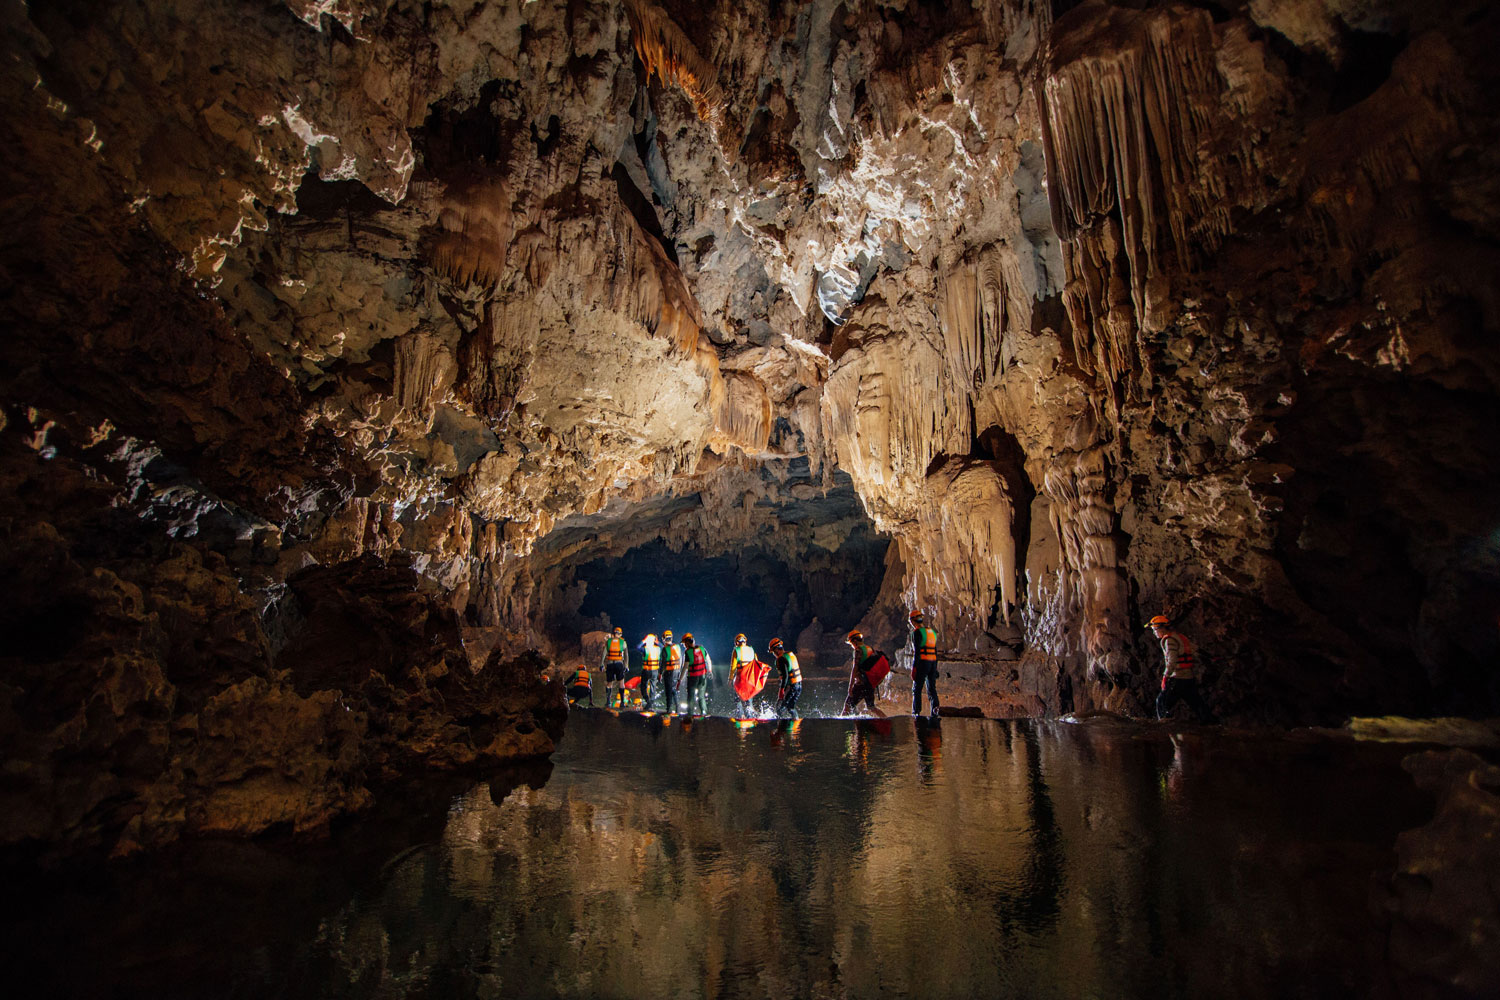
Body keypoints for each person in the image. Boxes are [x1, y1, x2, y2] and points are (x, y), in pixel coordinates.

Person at [1148, 615, 1213, 723]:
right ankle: (1211, 724)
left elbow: (1172, 660)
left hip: (1178, 678)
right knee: (1197, 703)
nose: (1154, 632)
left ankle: (1165, 726)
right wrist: (1211, 657)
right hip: (1189, 678)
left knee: (1162, 701)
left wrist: (1165, 676)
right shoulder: (1179, 637)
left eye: (1155, 630)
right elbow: (1196, 649)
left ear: (1162, 628)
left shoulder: (1169, 640)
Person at [842, 629, 887, 717]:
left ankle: (843, 728)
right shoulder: (869, 649)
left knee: (847, 707)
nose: (851, 646)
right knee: (871, 707)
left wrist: (850, 687)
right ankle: (887, 721)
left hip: (861, 684)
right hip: (870, 684)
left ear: (854, 641)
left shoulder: (858, 650)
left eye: (851, 643)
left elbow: (855, 668)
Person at [909, 608, 940, 718]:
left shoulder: (917, 632)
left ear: (913, 621)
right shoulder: (931, 631)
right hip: (932, 662)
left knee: (917, 689)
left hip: (922, 662)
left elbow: (917, 652)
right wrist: (935, 667)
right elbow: (935, 651)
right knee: (932, 689)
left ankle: (916, 713)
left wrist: (914, 668)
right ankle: (935, 712)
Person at [770, 637, 802, 717]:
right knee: (790, 708)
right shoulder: (790, 654)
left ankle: (781, 728)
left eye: (773, 652)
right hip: (799, 685)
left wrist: (781, 690)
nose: (774, 654)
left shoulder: (781, 659)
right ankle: (796, 724)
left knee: (780, 710)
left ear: (776, 650)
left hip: (792, 686)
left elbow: (785, 676)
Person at [682, 632, 711, 715]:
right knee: (701, 697)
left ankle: (690, 714)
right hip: (703, 676)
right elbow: (708, 660)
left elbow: (685, 667)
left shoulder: (688, 652)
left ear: (687, 643)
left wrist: (680, 679)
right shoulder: (702, 648)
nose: (684, 645)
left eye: (684, 643)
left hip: (692, 677)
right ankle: (704, 713)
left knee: (691, 697)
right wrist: (710, 671)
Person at [730, 632, 758, 715]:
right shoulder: (752, 650)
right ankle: (750, 716)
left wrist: (730, 678)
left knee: (737, 698)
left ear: (737, 642)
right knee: (749, 700)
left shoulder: (736, 651)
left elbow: (733, 667)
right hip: (750, 678)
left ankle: (740, 715)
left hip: (741, 678)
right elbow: (756, 663)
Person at [601, 626, 629, 708]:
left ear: (614, 633)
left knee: (609, 683)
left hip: (610, 664)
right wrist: (626, 665)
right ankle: (622, 702)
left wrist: (601, 664)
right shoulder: (623, 642)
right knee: (621, 682)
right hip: (619, 664)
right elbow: (626, 655)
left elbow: (604, 653)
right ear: (620, 634)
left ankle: (608, 702)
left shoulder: (608, 642)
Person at [638, 632, 662, 708]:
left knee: (643, 686)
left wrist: (643, 641)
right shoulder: (658, 649)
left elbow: (638, 647)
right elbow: (663, 647)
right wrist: (657, 642)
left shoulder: (646, 649)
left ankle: (647, 700)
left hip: (646, 670)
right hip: (655, 671)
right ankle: (651, 703)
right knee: (653, 687)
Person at [660, 629, 682, 712]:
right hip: (677, 671)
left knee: (668, 690)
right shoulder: (677, 646)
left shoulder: (665, 649)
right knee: (674, 689)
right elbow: (681, 658)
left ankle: (668, 709)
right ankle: (677, 708)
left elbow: (663, 663)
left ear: (664, 638)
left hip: (669, 672)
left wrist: (660, 673)